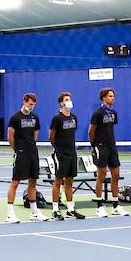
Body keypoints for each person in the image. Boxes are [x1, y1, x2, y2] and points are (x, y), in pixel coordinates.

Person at [6, 93, 48, 223]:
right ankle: (10, 213)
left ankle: (34, 212)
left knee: (33, 181)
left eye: (34, 104)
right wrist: (19, 149)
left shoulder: (35, 117)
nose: (32, 106)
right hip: (21, 153)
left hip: (33, 152)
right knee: (15, 182)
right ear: (24, 102)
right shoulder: (15, 117)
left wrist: (30, 146)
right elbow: (10, 137)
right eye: (30, 104)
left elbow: (35, 135)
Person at [89, 88, 127, 217]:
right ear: (104, 97)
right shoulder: (98, 113)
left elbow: (110, 129)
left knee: (116, 174)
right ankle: (99, 206)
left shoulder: (114, 113)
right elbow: (91, 131)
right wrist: (94, 146)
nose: (113, 98)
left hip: (112, 146)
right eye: (110, 96)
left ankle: (116, 205)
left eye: (113, 96)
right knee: (102, 175)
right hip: (101, 146)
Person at [49, 92, 85, 220]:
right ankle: (55, 210)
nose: (69, 101)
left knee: (70, 181)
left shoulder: (74, 117)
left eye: (70, 99)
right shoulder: (57, 119)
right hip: (60, 153)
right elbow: (51, 136)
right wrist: (58, 148)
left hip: (72, 153)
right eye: (66, 99)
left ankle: (70, 209)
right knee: (58, 181)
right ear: (61, 103)